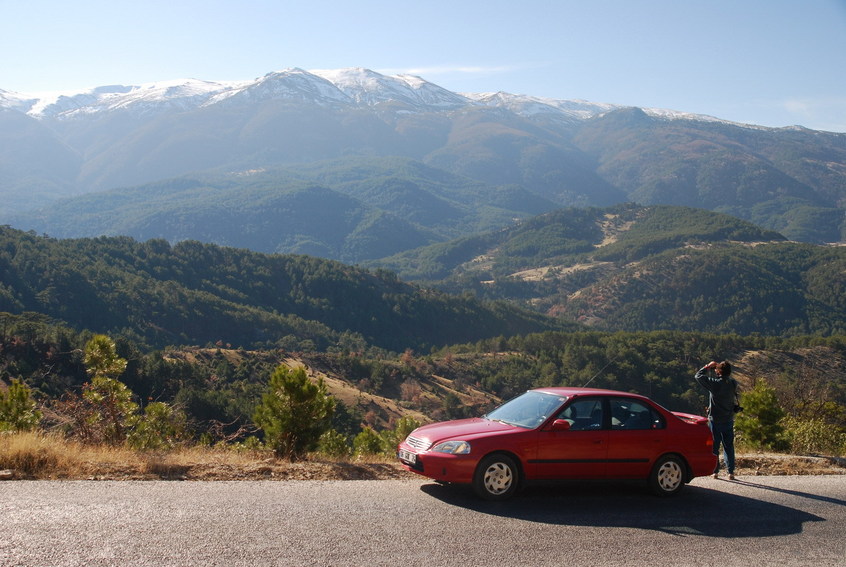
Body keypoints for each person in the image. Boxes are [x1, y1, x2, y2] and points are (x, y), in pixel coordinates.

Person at [694, 360, 738, 480]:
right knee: (728, 446)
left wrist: (708, 366)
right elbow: (728, 378)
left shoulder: (714, 384)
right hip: (728, 418)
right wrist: (720, 368)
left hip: (715, 419)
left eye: (717, 369)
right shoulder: (733, 383)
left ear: (718, 371)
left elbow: (698, 376)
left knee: (715, 446)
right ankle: (731, 472)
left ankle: (715, 471)